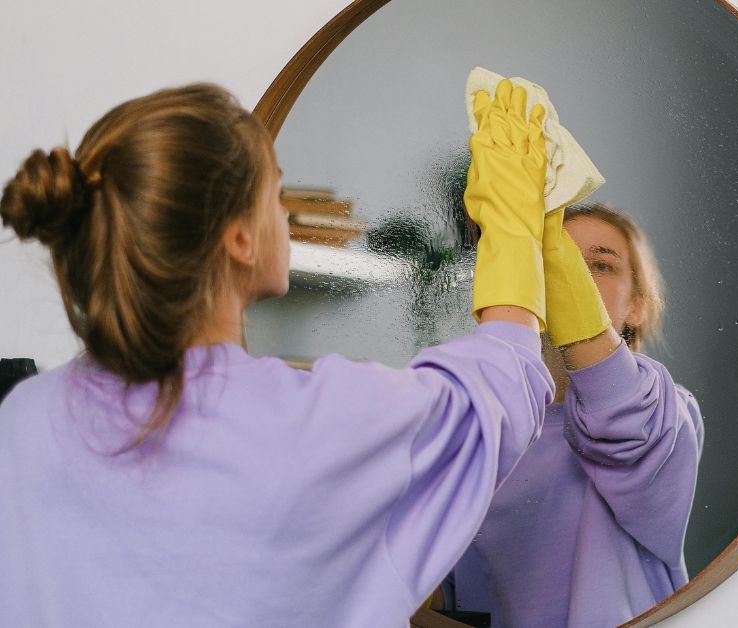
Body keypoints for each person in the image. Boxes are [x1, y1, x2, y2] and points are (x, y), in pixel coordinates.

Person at [0, 80, 584, 627]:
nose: (283, 213)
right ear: (240, 238)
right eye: (275, 193)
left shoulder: (22, 420)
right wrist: (513, 228)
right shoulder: (318, 423)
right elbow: (494, 395)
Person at [442, 203, 705, 628]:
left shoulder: (666, 413)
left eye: (600, 265)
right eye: (555, 260)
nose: (576, 279)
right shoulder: (481, 425)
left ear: (636, 306)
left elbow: (620, 419)